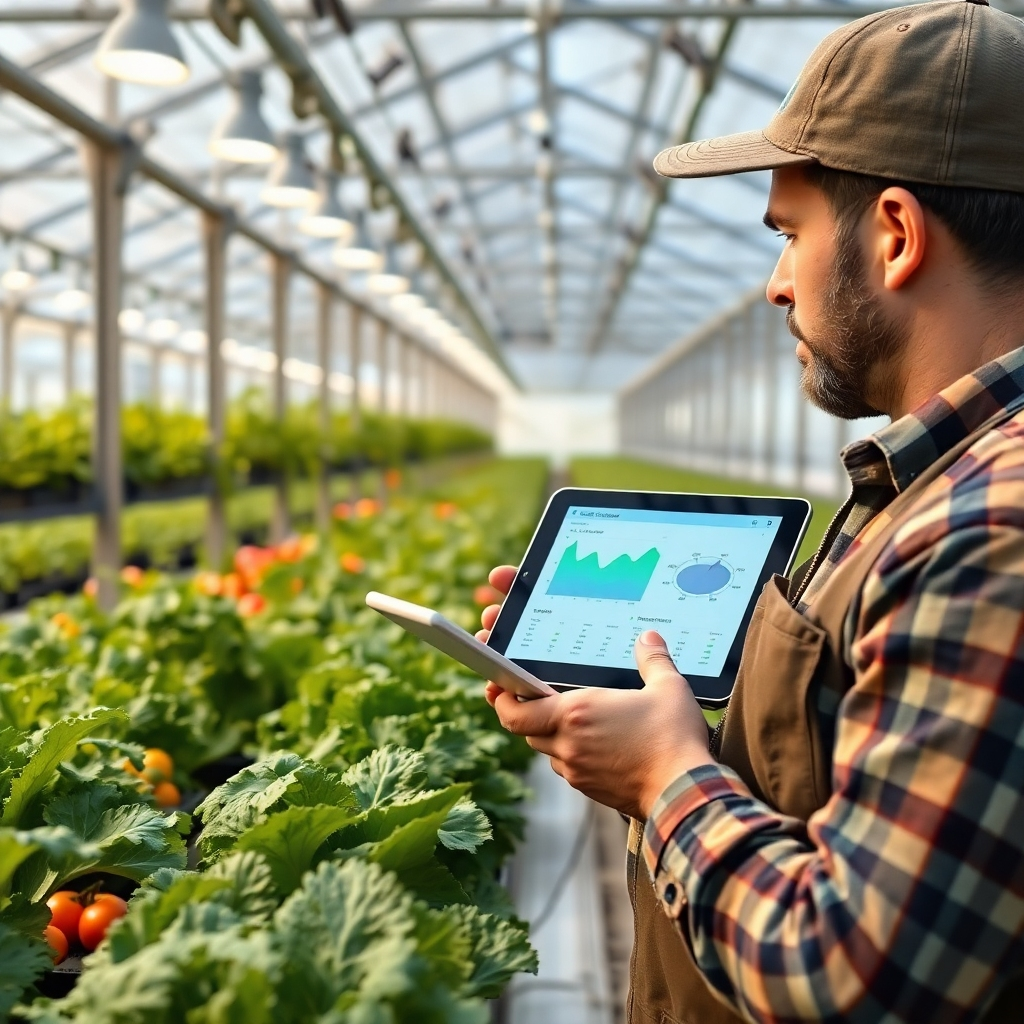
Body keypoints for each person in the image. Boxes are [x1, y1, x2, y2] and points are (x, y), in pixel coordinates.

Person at [475, 2, 1024, 1021]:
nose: (776, 286)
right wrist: (660, 723)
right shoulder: (929, 479)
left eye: (790, 235)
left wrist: (663, 776)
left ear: (896, 236)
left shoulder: (991, 527)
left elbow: (851, 975)